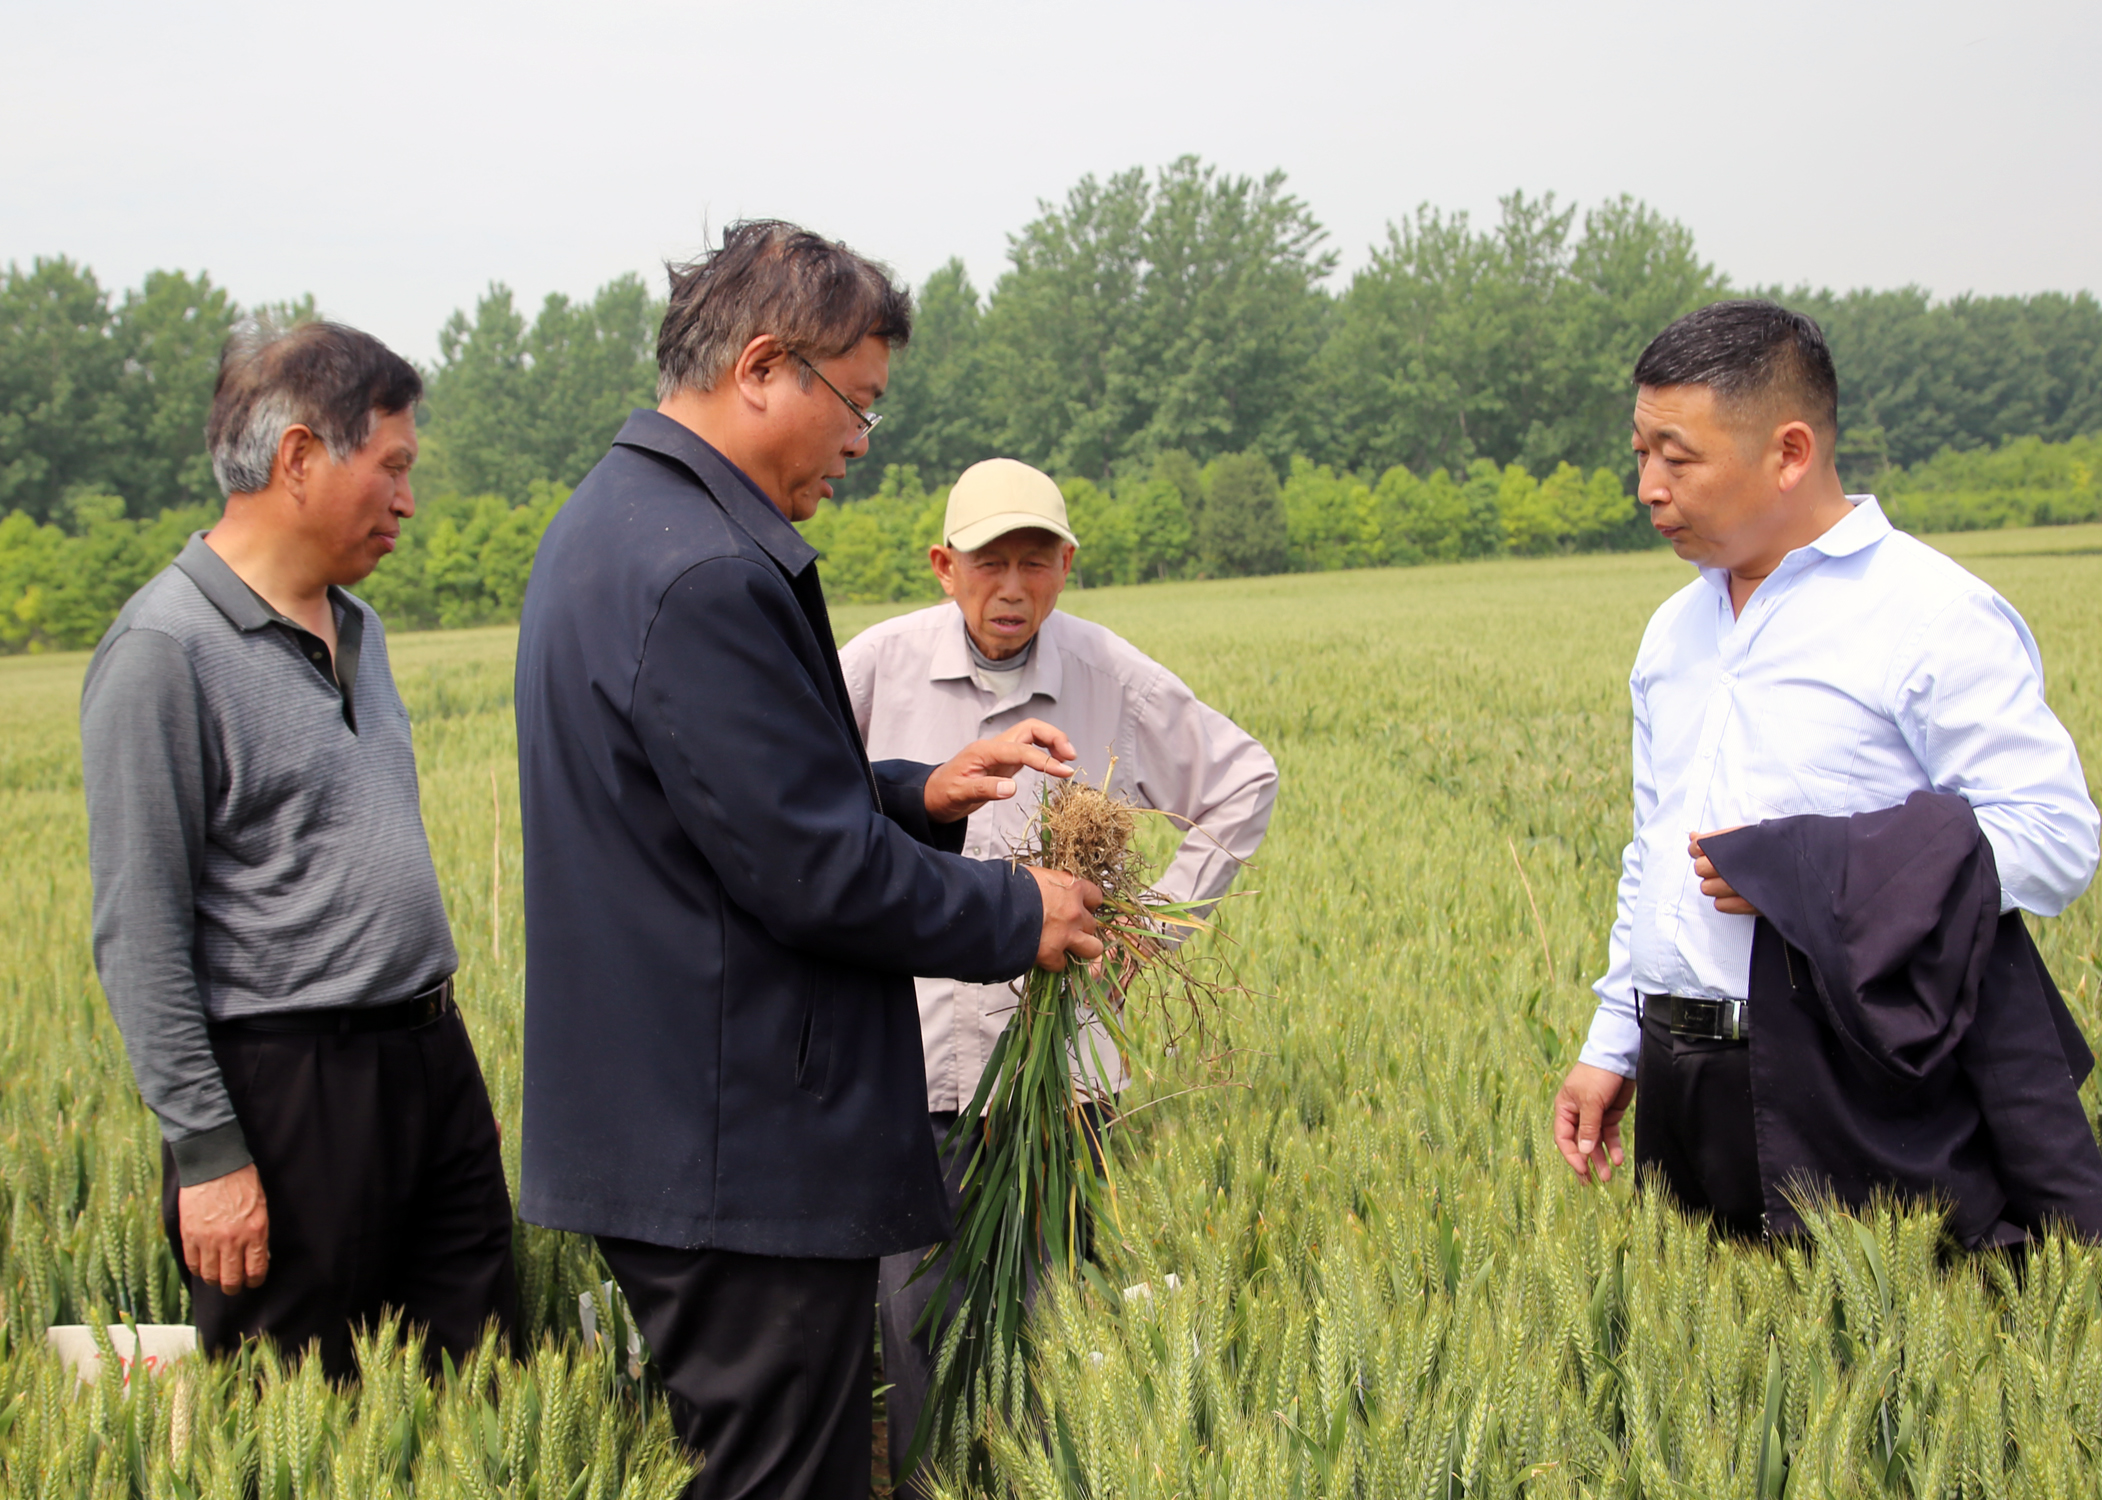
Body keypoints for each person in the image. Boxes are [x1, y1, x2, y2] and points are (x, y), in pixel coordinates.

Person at [513, 222, 1104, 1500]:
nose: (859, 441)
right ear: (763, 368)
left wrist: (913, 794)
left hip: (680, 1125)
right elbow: (811, 872)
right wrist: (1019, 912)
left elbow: (727, 810)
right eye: (857, 402)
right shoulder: (703, 571)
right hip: (735, 1147)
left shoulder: (619, 525)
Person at [1551, 299, 2101, 1241]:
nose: (1647, 488)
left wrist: (1811, 872)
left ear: (1790, 453)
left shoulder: (1931, 614)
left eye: (1677, 458)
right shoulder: (1673, 631)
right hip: (1681, 1078)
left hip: (1854, 1079)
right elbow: (1652, 852)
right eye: (1640, 454)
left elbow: (2054, 841)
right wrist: (1617, 1042)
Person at [79, 319, 518, 1378]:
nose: (407, 500)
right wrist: (208, 1153)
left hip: (430, 1057)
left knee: (483, 1383)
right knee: (303, 1405)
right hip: (289, 1091)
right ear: (299, 457)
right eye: (393, 467)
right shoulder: (162, 652)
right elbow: (140, 933)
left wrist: (441, 1079)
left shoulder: (359, 627)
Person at [838, 457, 1277, 1493]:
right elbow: (804, 817)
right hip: (908, 1072)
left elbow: (1242, 780)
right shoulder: (873, 669)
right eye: (988, 562)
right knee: (917, 1328)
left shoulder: (1105, 672)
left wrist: (1142, 935)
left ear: (1065, 566)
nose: (1012, 588)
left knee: (1051, 1327)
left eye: (1035, 562)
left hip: (1058, 1086)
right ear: (943, 565)